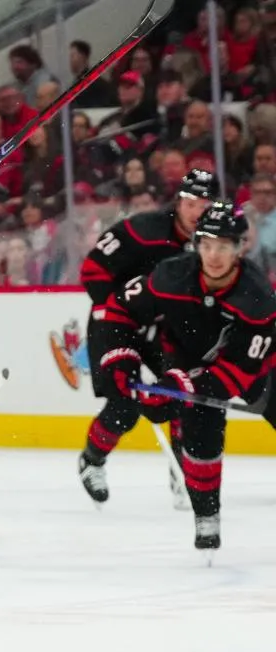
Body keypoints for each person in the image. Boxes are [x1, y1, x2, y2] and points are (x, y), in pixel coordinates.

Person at [87, 202, 276, 555]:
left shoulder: (257, 297)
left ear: (239, 248)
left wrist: (182, 387)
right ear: (196, 244)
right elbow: (119, 309)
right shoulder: (171, 275)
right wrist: (122, 359)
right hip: (184, 354)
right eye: (207, 245)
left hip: (255, 364)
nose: (214, 255)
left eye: (223, 246)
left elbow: (237, 372)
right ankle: (207, 516)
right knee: (202, 428)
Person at [75, 169, 215, 506]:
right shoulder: (142, 229)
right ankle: (92, 461)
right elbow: (92, 271)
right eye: (191, 202)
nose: (197, 211)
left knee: (184, 393)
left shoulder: (211, 242)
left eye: (204, 204)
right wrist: (119, 312)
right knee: (124, 405)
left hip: (165, 328)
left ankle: (183, 473)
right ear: (179, 201)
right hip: (117, 322)